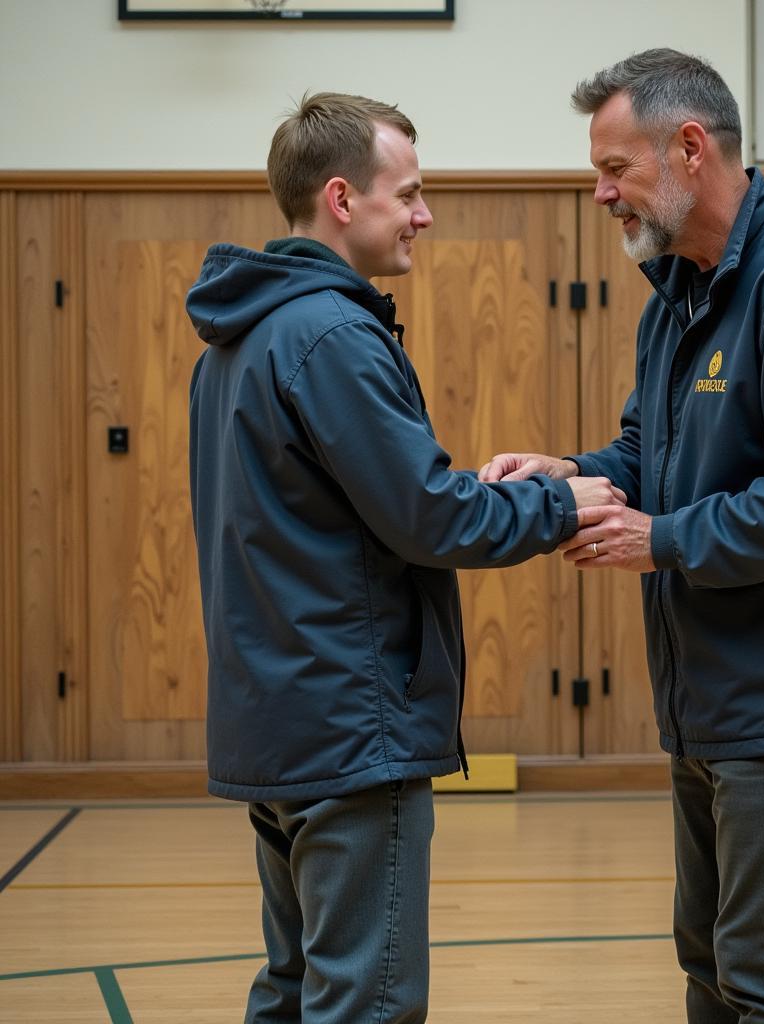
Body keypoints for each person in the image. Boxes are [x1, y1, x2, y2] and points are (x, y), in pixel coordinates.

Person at [479, 50, 764, 1023]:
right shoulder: (675, 293)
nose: (599, 194)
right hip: (714, 697)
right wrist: (571, 473)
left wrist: (663, 537)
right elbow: (647, 452)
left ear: (687, 149)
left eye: (612, 169)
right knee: (711, 965)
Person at [186, 92, 623, 1024]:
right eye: (411, 195)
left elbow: (348, 513)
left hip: (279, 717)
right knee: (366, 1001)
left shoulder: (239, 339)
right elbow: (427, 520)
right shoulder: (333, 334)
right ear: (342, 199)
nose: (425, 215)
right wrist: (557, 502)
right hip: (349, 727)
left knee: (295, 987)